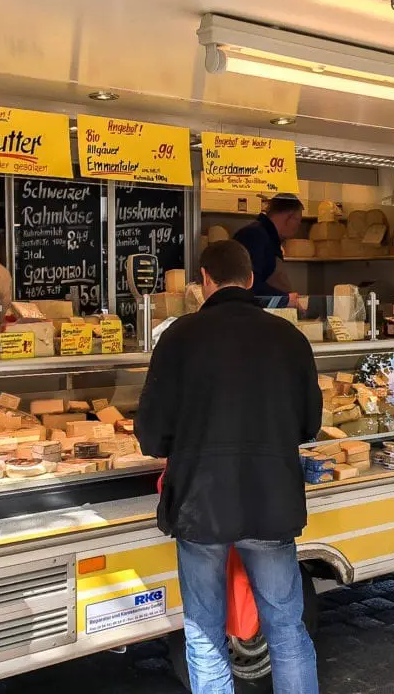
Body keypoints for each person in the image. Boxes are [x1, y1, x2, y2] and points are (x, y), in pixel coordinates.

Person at [136, 239, 321, 694]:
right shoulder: (289, 337)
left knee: (203, 633)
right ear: (251, 279)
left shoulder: (179, 337)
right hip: (271, 503)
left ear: (204, 280)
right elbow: (309, 425)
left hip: (202, 507)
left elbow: (151, 434)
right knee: (287, 630)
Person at [232, 193, 303, 307]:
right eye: (298, 221)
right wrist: (285, 299)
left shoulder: (268, 237)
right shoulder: (254, 235)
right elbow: (247, 283)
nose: (297, 228)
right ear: (289, 217)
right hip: (254, 316)